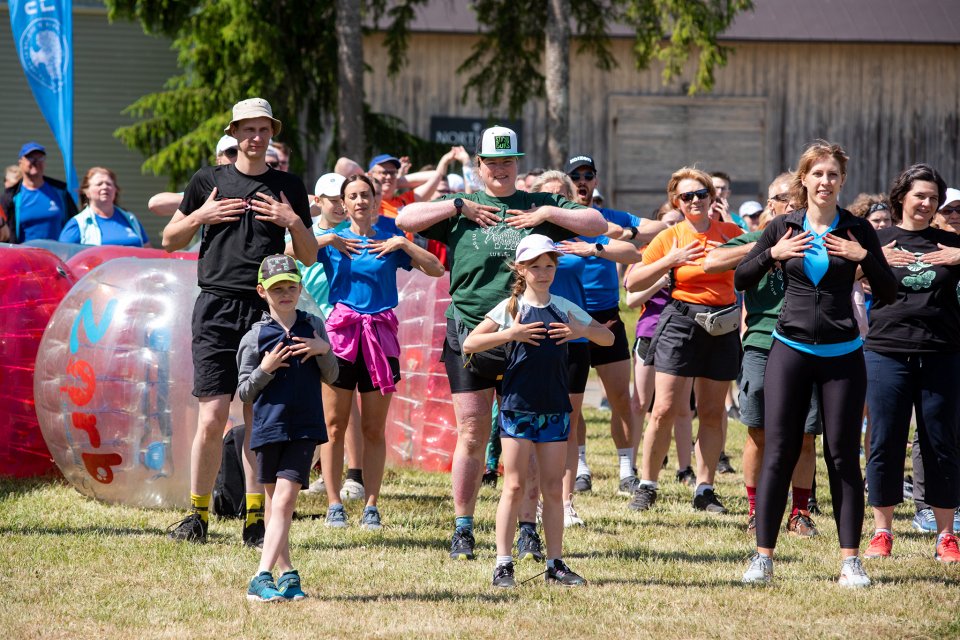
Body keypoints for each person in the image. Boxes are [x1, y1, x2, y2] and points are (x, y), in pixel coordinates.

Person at [396, 125, 606, 560]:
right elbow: (404, 220)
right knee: (472, 432)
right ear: (479, 166)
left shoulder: (535, 205)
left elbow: (596, 224)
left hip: (527, 337)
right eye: (492, 163)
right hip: (471, 332)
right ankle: (463, 526)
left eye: (508, 162)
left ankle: (528, 526)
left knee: (525, 435)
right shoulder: (462, 208)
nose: (500, 170)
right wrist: (457, 204)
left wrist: (547, 212)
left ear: (518, 165)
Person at [735, 141, 896, 587]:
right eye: (817, 174)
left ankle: (850, 561)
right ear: (803, 179)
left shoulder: (858, 230)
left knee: (842, 455)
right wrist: (773, 255)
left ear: (842, 181)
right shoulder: (783, 226)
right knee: (780, 451)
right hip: (789, 349)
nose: (825, 182)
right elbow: (741, 278)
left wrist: (866, 259)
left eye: (833, 175)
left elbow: (889, 292)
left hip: (843, 354)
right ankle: (763, 557)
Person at [163, 98, 317, 547]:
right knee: (212, 417)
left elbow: (308, 256)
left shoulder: (287, 184)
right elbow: (171, 237)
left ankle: (255, 518)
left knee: (257, 418)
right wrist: (200, 216)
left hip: (265, 312)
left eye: (263, 129)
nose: (255, 137)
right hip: (214, 307)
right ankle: (198, 515)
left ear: (271, 133)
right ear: (233, 133)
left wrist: (292, 221)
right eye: (247, 129)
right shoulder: (207, 180)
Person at [463, 234, 613, 587]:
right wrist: (509, 334)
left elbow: (605, 338)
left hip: (556, 409)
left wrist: (579, 330)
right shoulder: (511, 308)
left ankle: (555, 563)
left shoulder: (563, 306)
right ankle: (502, 563)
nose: (543, 272)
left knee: (553, 487)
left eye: (549, 265)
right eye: (535, 266)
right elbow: (470, 343)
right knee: (513, 486)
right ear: (520, 269)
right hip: (518, 408)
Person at [318, 174, 444, 529]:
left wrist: (403, 246)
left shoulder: (390, 237)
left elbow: (436, 268)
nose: (359, 201)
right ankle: (334, 503)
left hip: (380, 338)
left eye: (365, 196)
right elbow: (291, 254)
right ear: (343, 203)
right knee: (333, 425)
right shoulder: (333, 239)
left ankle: (371, 503)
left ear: (375, 201)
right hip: (342, 337)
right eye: (352, 196)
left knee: (374, 427)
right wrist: (327, 236)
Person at [703, 172, 821, 537]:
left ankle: (799, 512)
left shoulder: (818, 236)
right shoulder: (757, 236)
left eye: (798, 198)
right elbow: (711, 262)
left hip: (809, 344)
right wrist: (768, 250)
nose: (793, 204)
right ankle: (756, 511)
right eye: (785, 198)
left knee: (805, 433)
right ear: (771, 205)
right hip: (761, 342)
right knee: (758, 431)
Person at [625, 167, 743, 514]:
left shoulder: (731, 233)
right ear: (675, 201)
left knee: (710, 411)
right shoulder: (670, 235)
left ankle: (704, 489)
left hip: (721, 326)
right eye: (686, 196)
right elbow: (632, 283)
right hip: (681, 323)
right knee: (662, 409)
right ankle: (647, 485)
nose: (694, 201)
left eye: (700, 194)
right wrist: (671, 259)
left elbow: (756, 260)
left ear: (712, 197)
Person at [862, 164, 960, 563]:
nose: (927, 203)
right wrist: (868, 260)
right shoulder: (877, 238)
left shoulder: (951, 244)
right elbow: (833, 273)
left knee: (941, 443)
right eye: (920, 195)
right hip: (886, 350)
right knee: (884, 441)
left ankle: (946, 536)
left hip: (942, 353)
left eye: (934, 198)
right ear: (901, 196)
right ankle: (882, 532)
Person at [238, 255, 339, 601]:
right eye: (276, 288)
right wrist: (265, 368)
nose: (285, 293)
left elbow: (333, 375)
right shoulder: (255, 337)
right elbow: (244, 391)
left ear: (300, 289)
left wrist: (322, 348)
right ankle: (288, 574)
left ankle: (260, 576)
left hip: (305, 427)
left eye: (291, 287)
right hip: (268, 429)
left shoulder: (313, 325)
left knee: (283, 500)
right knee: (274, 505)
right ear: (262, 292)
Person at [564, 153, 663, 497]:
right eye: (575, 175)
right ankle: (580, 467)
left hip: (606, 313)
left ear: (595, 180)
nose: (582, 181)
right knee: (571, 402)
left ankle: (625, 468)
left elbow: (658, 227)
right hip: (569, 317)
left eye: (587, 174)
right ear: (566, 182)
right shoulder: (559, 219)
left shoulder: (606, 218)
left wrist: (624, 233)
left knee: (621, 396)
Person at [627, 206, 696, 488]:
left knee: (682, 407)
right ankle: (628, 466)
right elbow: (631, 299)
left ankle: (684, 468)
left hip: (683, 335)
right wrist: (661, 278)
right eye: (668, 222)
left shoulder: (693, 252)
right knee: (641, 403)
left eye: (679, 222)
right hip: (650, 332)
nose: (674, 227)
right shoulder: (648, 253)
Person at [0, 142, 78, 243]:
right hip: (24, 257)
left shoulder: (60, 192)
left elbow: (74, 224)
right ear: (20, 163)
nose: (36, 162)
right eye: (30, 158)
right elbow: (5, 236)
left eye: (40, 158)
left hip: (56, 256)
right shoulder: (11, 197)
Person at [148, 135, 239, 217]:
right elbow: (155, 203)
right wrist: (203, 199)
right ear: (218, 160)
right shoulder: (208, 189)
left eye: (242, 152)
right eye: (232, 152)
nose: (238, 157)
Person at [58, 167, 150, 247]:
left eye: (109, 184)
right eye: (99, 184)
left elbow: (148, 251)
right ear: (86, 192)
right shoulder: (78, 224)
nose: (105, 187)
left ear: (115, 190)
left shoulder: (131, 219)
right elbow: (63, 257)